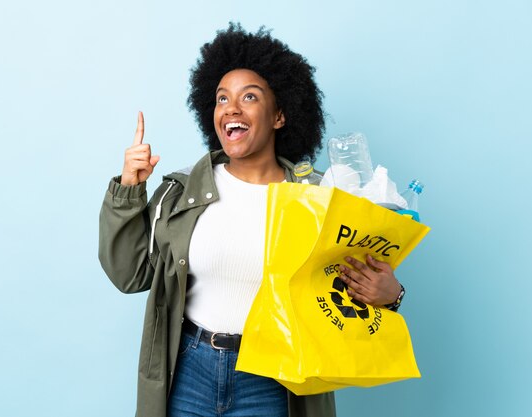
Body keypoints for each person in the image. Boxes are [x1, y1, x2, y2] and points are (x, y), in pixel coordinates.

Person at [98, 23, 404, 417]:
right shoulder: (180, 193)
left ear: (279, 115)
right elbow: (131, 275)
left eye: (250, 97)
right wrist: (129, 191)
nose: (231, 108)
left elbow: (351, 295)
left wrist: (392, 294)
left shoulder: (318, 198)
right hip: (188, 371)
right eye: (222, 98)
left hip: (272, 379)